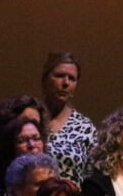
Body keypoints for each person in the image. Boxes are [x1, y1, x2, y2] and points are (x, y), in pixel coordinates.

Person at [40, 51, 97, 182]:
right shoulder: (30, 120)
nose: (65, 83)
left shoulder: (85, 127)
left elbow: (92, 177)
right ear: (44, 80)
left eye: (72, 78)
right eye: (59, 76)